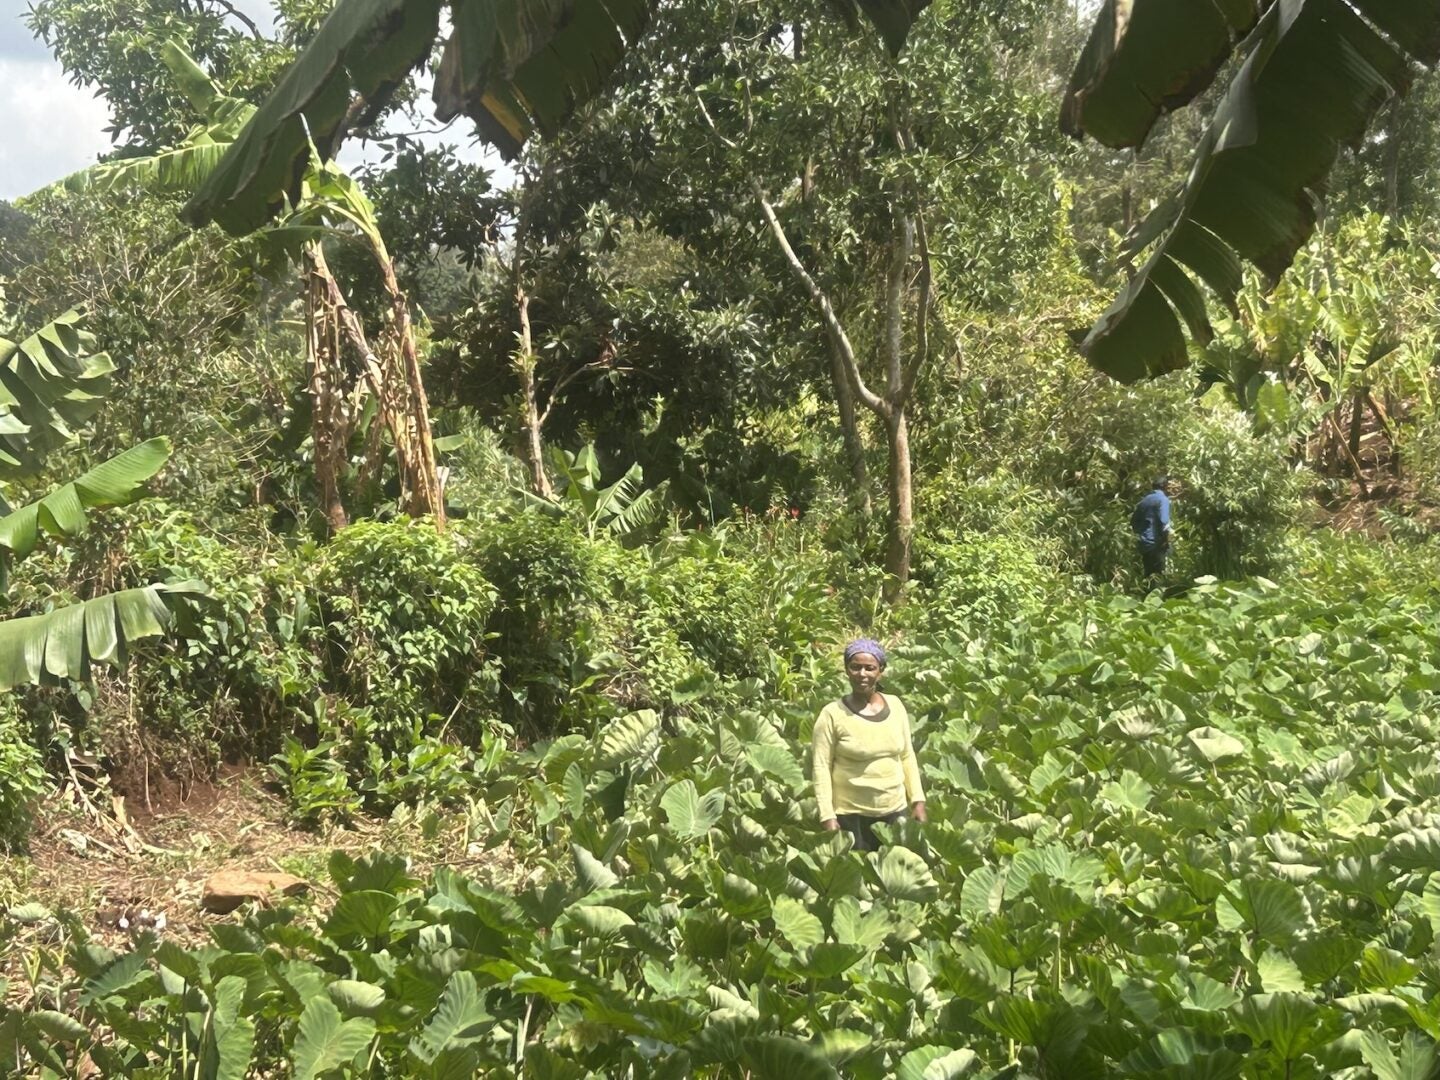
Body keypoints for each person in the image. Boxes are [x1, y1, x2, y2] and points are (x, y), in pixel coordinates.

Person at [811, 638, 926, 852]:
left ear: (880, 671)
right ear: (846, 670)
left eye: (869, 668)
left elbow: (907, 756)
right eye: (855, 667)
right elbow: (820, 767)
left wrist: (917, 800)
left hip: (895, 811)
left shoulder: (896, 706)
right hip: (850, 816)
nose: (862, 674)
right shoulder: (832, 715)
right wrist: (827, 817)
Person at [1131, 475, 1177, 580]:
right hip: (1157, 544)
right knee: (1160, 575)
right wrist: (1166, 540)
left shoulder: (1144, 501)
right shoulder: (1163, 499)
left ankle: (1146, 594)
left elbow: (1134, 522)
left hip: (1144, 543)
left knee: (1148, 574)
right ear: (1165, 487)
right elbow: (1164, 522)